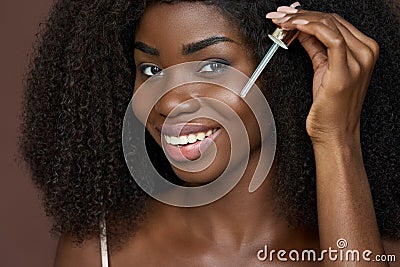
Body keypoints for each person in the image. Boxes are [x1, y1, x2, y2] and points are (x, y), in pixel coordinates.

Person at [20, 0, 400, 266]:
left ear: (284, 72)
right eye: (151, 71)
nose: (168, 103)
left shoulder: (369, 243)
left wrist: (336, 137)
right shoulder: (99, 251)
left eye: (212, 65)